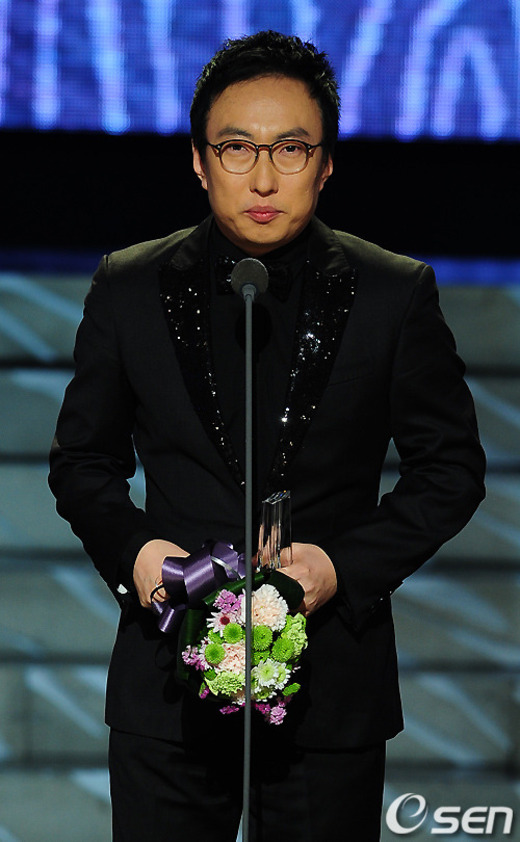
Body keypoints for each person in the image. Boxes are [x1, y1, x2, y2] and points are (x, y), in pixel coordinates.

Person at [49, 31, 485, 842]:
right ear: (198, 160)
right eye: (237, 148)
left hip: (330, 692)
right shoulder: (129, 286)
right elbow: (81, 462)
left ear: (326, 164)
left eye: (289, 149)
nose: (261, 178)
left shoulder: (394, 294)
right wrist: (140, 556)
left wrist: (340, 567)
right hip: (167, 684)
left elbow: (451, 471)